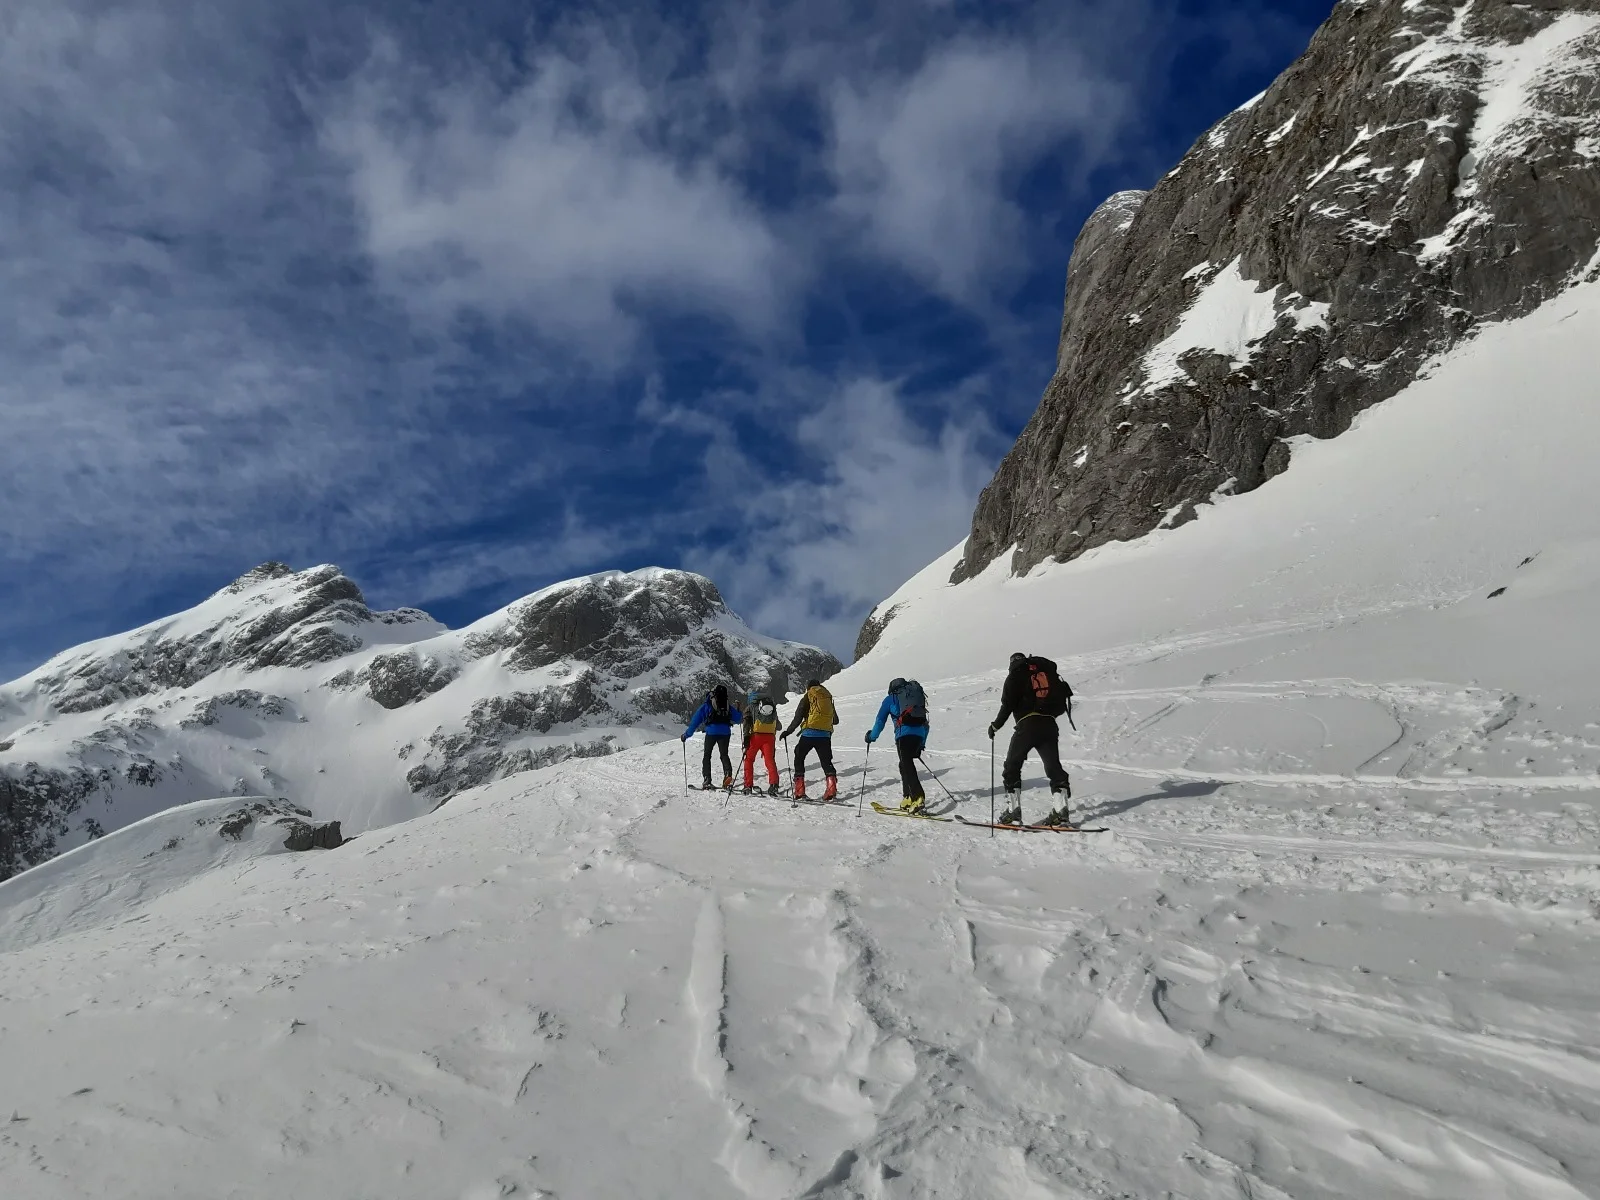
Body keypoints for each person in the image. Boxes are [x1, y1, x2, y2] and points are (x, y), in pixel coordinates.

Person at [988, 652, 1072, 826]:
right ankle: (1061, 811)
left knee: (1012, 766)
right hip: (1049, 725)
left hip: (1027, 726)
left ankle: (1013, 812)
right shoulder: (1044, 672)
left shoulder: (1015, 676)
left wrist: (995, 726)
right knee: (1054, 767)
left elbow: (1007, 706)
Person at [866, 678, 929, 814]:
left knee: (906, 764)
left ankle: (918, 797)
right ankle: (907, 798)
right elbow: (925, 721)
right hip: (919, 734)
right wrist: (921, 743)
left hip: (903, 735)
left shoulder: (891, 699)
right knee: (903, 765)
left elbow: (880, 720)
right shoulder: (915, 696)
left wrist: (872, 737)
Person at [781, 679, 839, 800]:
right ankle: (831, 788)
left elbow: (798, 716)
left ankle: (799, 790)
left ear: (808, 688)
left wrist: (788, 731)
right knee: (826, 761)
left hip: (809, 733)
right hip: (825, 735)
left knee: (799, 755)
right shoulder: (827, 697)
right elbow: (835, 720)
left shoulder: (808, 696)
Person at [683, 685, 742, 790]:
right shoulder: (727, 704)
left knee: (707, 755)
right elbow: (738, 719)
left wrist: (686, 735)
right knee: (724, 755)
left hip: (711, 732)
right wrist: (738, 710)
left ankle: (707, 779)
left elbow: (695, 722)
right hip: (725, 733)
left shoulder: (707, 705)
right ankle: (727, 775)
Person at [740, 690, 782, 796]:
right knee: (770, 760)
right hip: (770, 738)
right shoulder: (771, 707)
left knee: (749, 760)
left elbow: (746, 724)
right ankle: (774, 785)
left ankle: (748, 785)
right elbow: (779, 726)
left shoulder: (750, 707)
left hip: (755, 737)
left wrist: (746, 738)